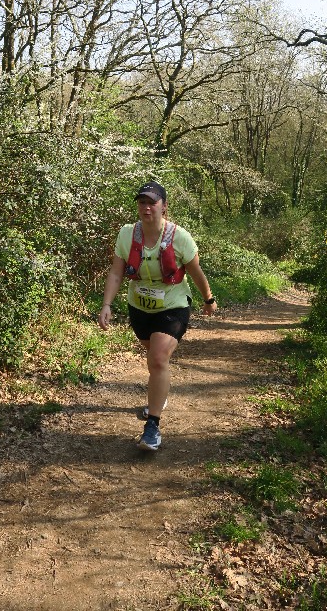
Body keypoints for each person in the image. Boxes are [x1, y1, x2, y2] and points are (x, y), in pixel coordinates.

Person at [98, 180, 218, 452]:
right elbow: (116, 272)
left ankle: (152, 426)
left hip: (173, 304)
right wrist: (107, 304)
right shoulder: (127, 234)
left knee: (158, 357)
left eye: (152, 202)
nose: (147, 207)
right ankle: (159, 395)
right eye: (142, 202)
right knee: (153, 357)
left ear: (164, 207)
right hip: (139, 306)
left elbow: (196, 272)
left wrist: (208, 299)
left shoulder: (179, 237)